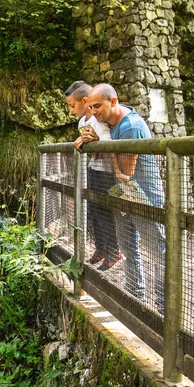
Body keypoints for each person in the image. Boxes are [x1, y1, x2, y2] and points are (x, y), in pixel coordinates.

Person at [85, 84, 166, 313]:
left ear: (113, 101)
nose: (94, 112)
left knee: (159, 252)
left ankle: (164, 308)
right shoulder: (107, 125)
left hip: (144, 198)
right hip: (125, 196)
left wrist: (101, 142)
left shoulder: (130, 126)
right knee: (129, 248)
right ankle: (135, 298)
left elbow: (124, 172)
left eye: (97, 106)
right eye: (90, 107)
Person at [65, 81, 122, 270]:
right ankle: (101, 248)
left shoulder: (98, 120)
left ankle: (113, 251)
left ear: (84, 101)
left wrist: (95, 143)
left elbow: (107, 141)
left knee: (104, 211)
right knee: (94, 210)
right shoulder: (83, 122)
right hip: (92, 168)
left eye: (73, 106)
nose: (71, 111)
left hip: (105, 171)